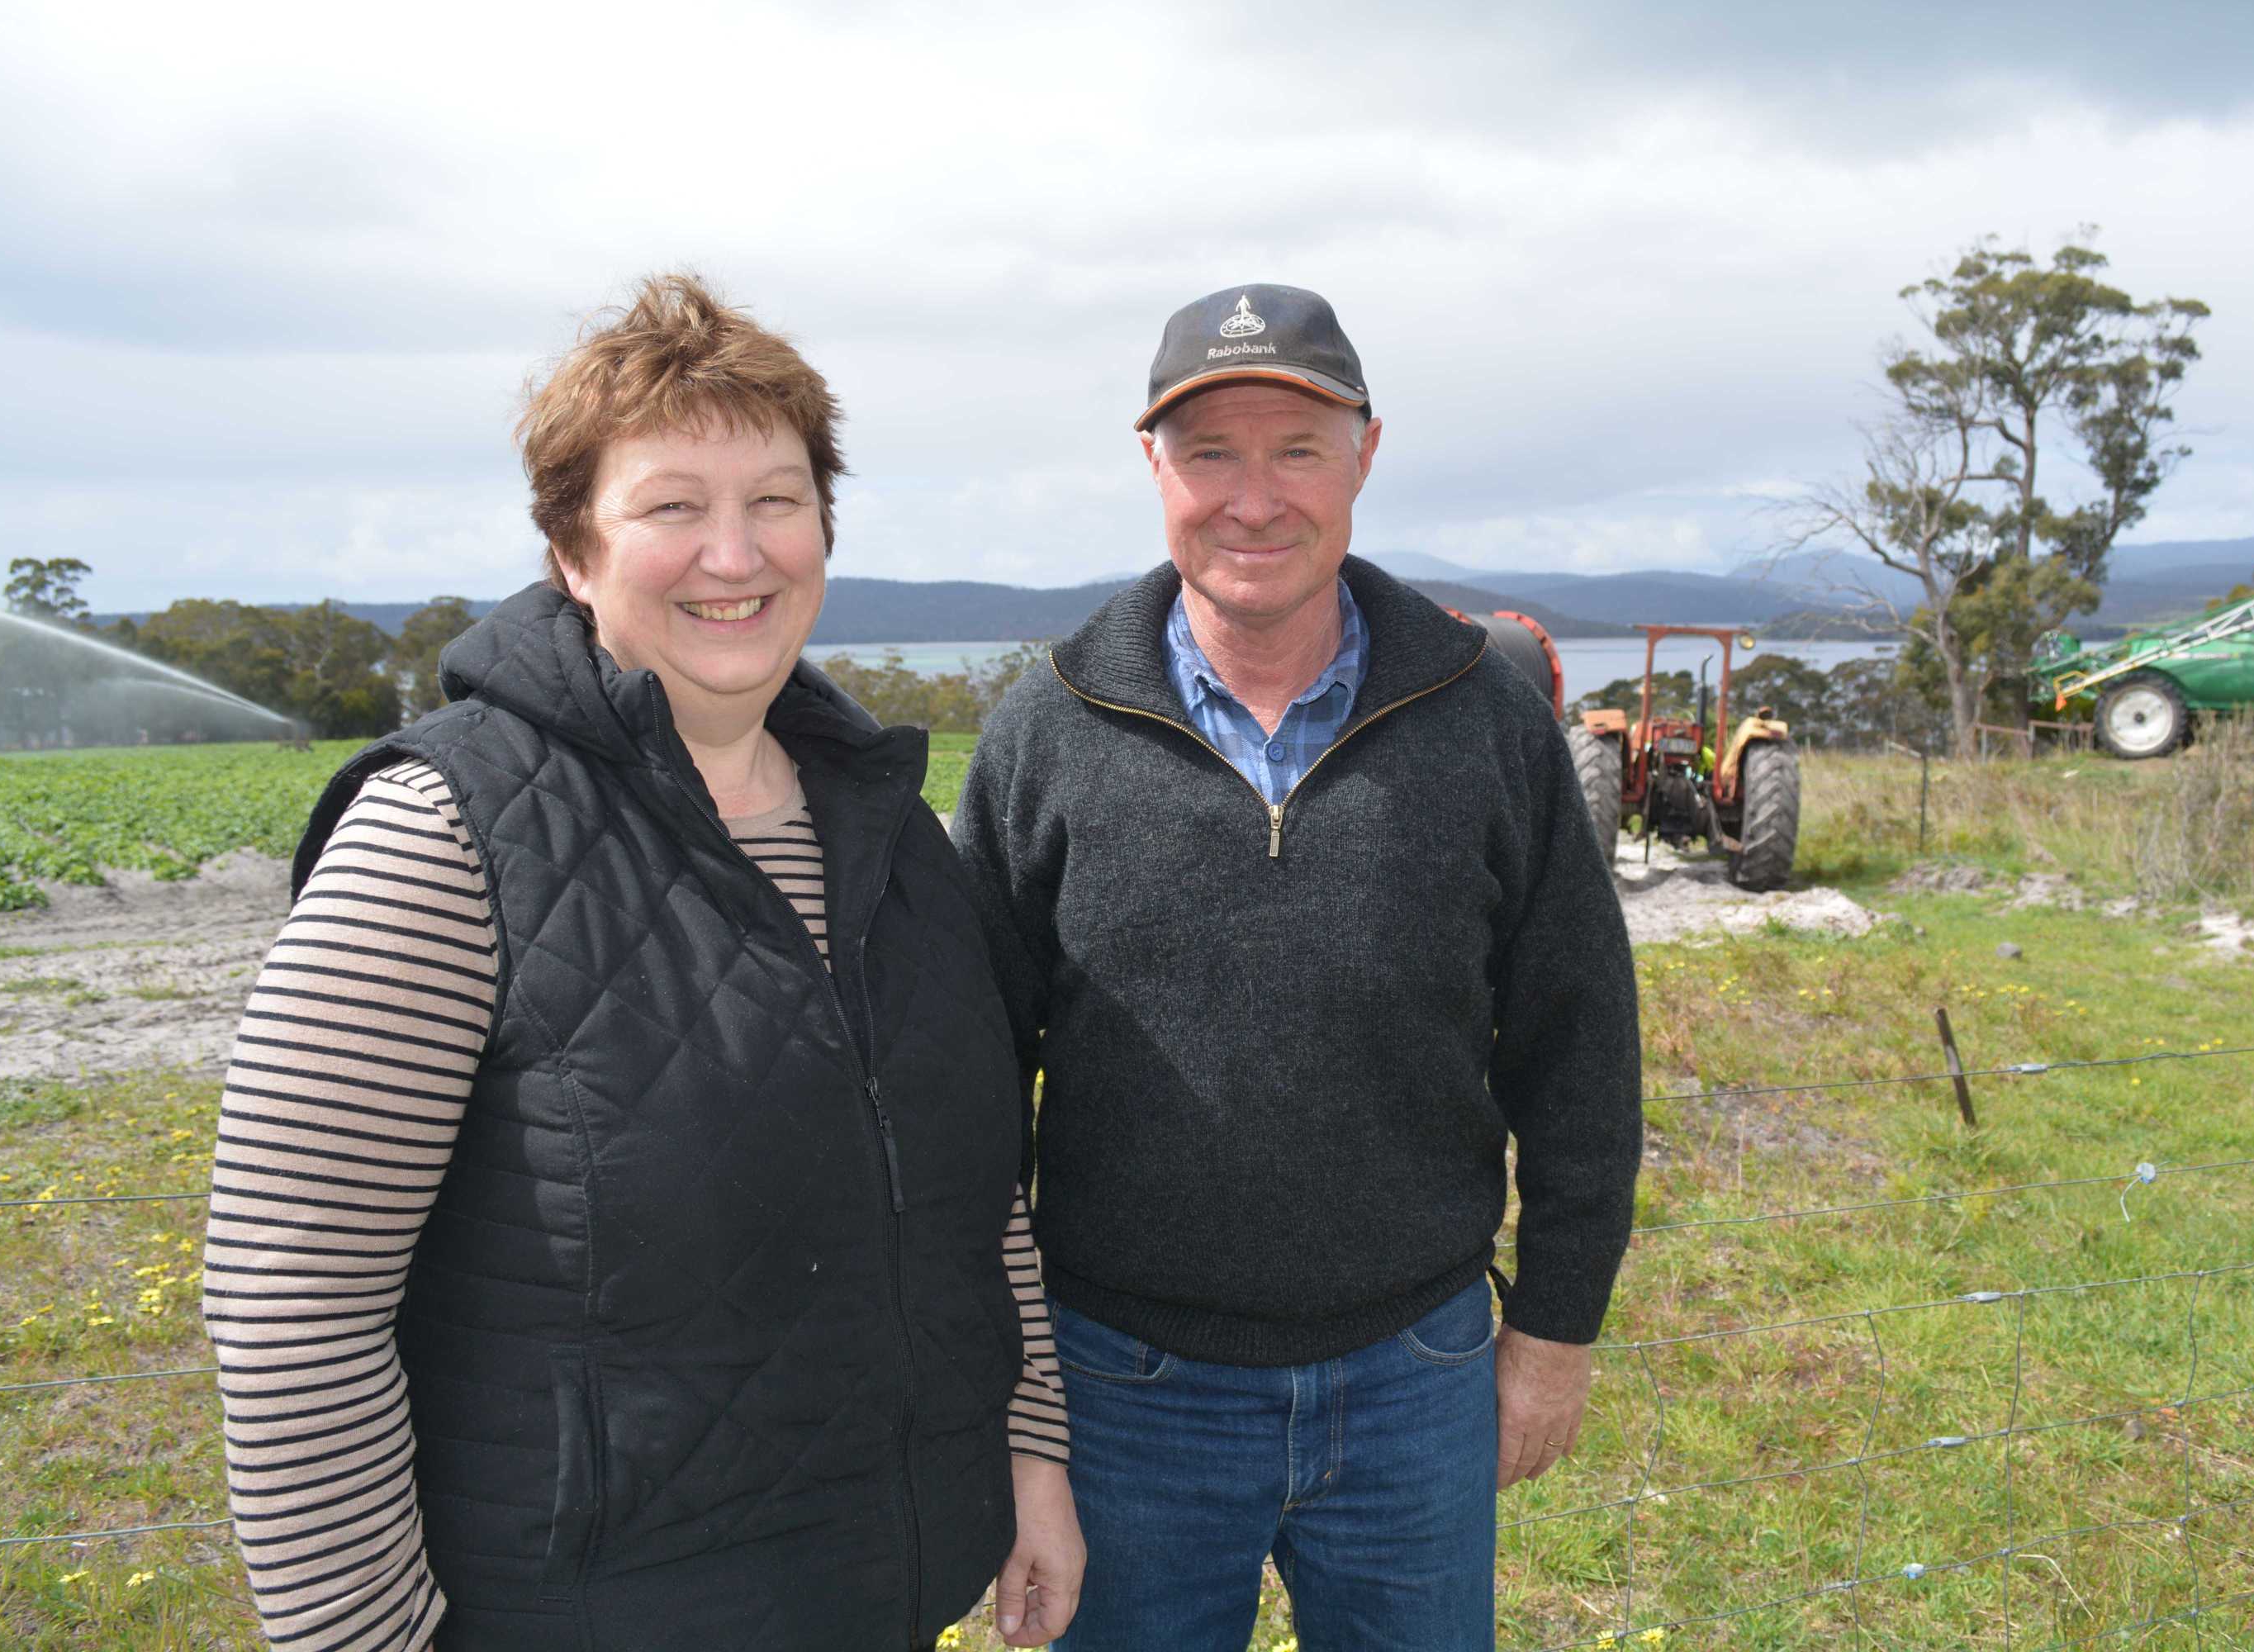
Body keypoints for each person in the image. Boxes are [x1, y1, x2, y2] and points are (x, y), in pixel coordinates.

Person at [201, 273, 1084, 1652]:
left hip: (879, 1593)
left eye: (776, 501)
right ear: (572, 551)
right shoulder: (445, 836)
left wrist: (1030, 1459)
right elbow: (290, 1297)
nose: (735, 557)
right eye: (673, 507)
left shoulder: (892, 829)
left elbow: (981, 1196)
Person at [951, 283, 1641, 1650]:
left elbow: (1579, 1047)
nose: (1253, 499)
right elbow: (965, 1095)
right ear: (1153, 466)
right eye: (1210, 452)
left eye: (1298, 450)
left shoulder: (1486, 722)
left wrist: (1554, 1333)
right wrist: (1016, 1407)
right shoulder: (1048, 733)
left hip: (1418, 1373)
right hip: (1123, 1385)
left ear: (1366, 457)